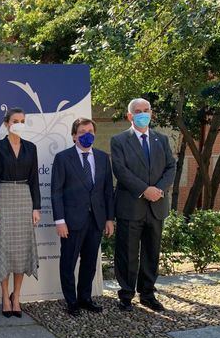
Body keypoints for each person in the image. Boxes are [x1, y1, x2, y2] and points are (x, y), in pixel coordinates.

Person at [111, 98, 176, 312]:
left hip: (156, 206)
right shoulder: (119, 140)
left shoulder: (161, 139)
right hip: (131, 206)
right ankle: (126, 295)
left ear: (151, 113)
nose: (142, 114)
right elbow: (120, 170)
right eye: (137, 111)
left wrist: (158, 189)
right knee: (127, 253)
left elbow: (170, 167)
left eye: (146, 110)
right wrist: (144, 190)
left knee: (151, 252)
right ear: (130, 116)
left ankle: (147, 294)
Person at [51, 118, 114, 317]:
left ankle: (85, 298)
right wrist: (59, 220)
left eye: (90, 131)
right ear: (74, 136)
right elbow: (56, 192)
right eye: (82, 132)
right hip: (71, 220)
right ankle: (71, 301)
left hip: (96, 219)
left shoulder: (103, 158)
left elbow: (107, 191)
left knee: (89, 262)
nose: (87, 135)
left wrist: (109, 218)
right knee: (68, 262)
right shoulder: (63, 158)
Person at [0, 108, 40, 318]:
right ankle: (4, 297)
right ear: (6, 123)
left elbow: (34, 179)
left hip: (24, 198)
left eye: (22, 120)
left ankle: (17, 297)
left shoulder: (31, 148)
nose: (19, 123)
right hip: (3, 197)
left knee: (21, 250)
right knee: (5, 248)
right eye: (15, 120)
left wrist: (36, 208)